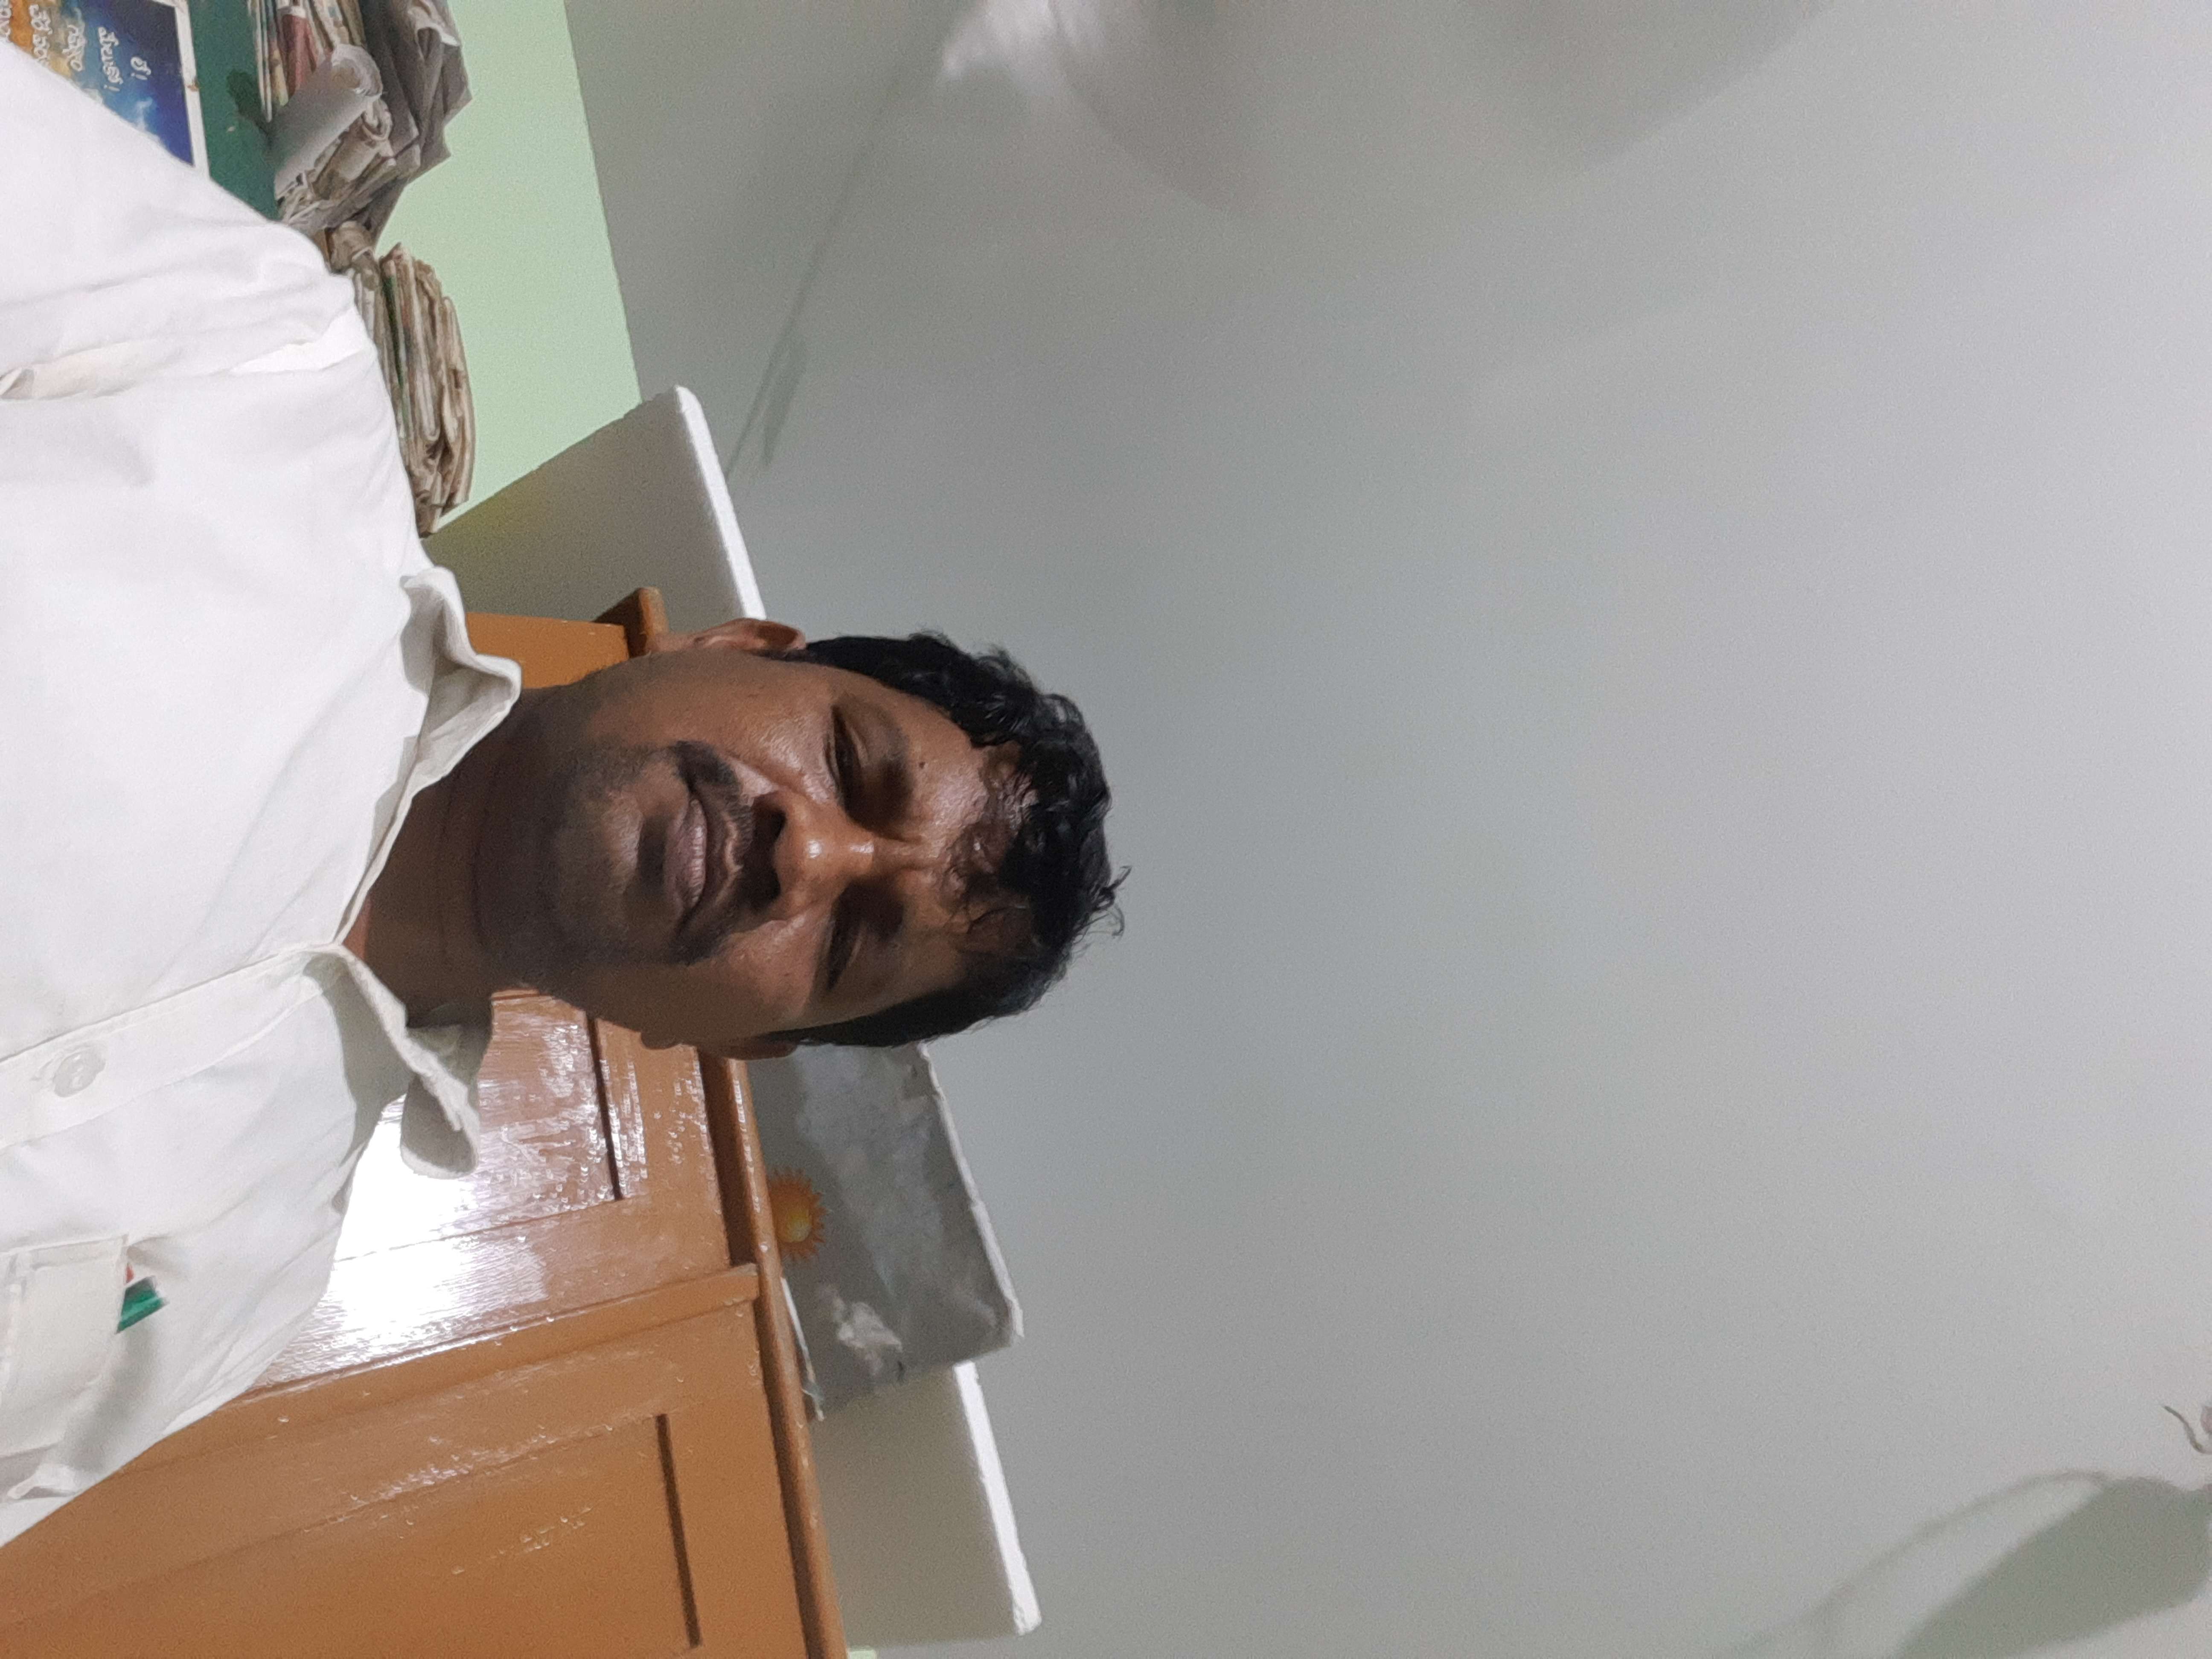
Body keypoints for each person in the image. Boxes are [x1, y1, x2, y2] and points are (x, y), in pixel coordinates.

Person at [0, 48, 1115, 1545]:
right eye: (853, 767)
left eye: (852, 939)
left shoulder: (244, 1284)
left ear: (744, 1042)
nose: (805, 852)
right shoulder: (256, 380)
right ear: (738, 648)